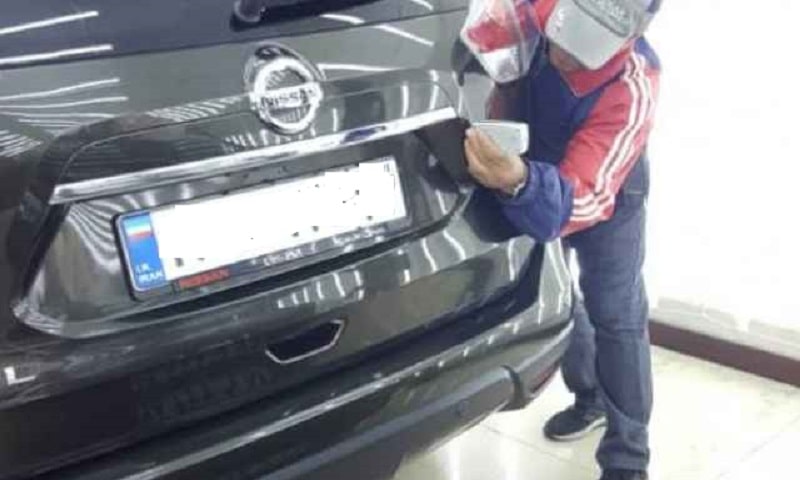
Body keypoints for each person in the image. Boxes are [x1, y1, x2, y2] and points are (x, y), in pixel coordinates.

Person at [463, 1, 661, 479]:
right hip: (532, 166)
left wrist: (520, 182)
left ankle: (628, 458)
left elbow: (582, 199)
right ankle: (589, 397)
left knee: (616, 314)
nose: (561, 58)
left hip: (604, 189)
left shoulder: (633, 83)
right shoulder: (530, 11)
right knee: (559, 292)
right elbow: (475, 46)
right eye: (559, 39)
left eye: (581, 52)